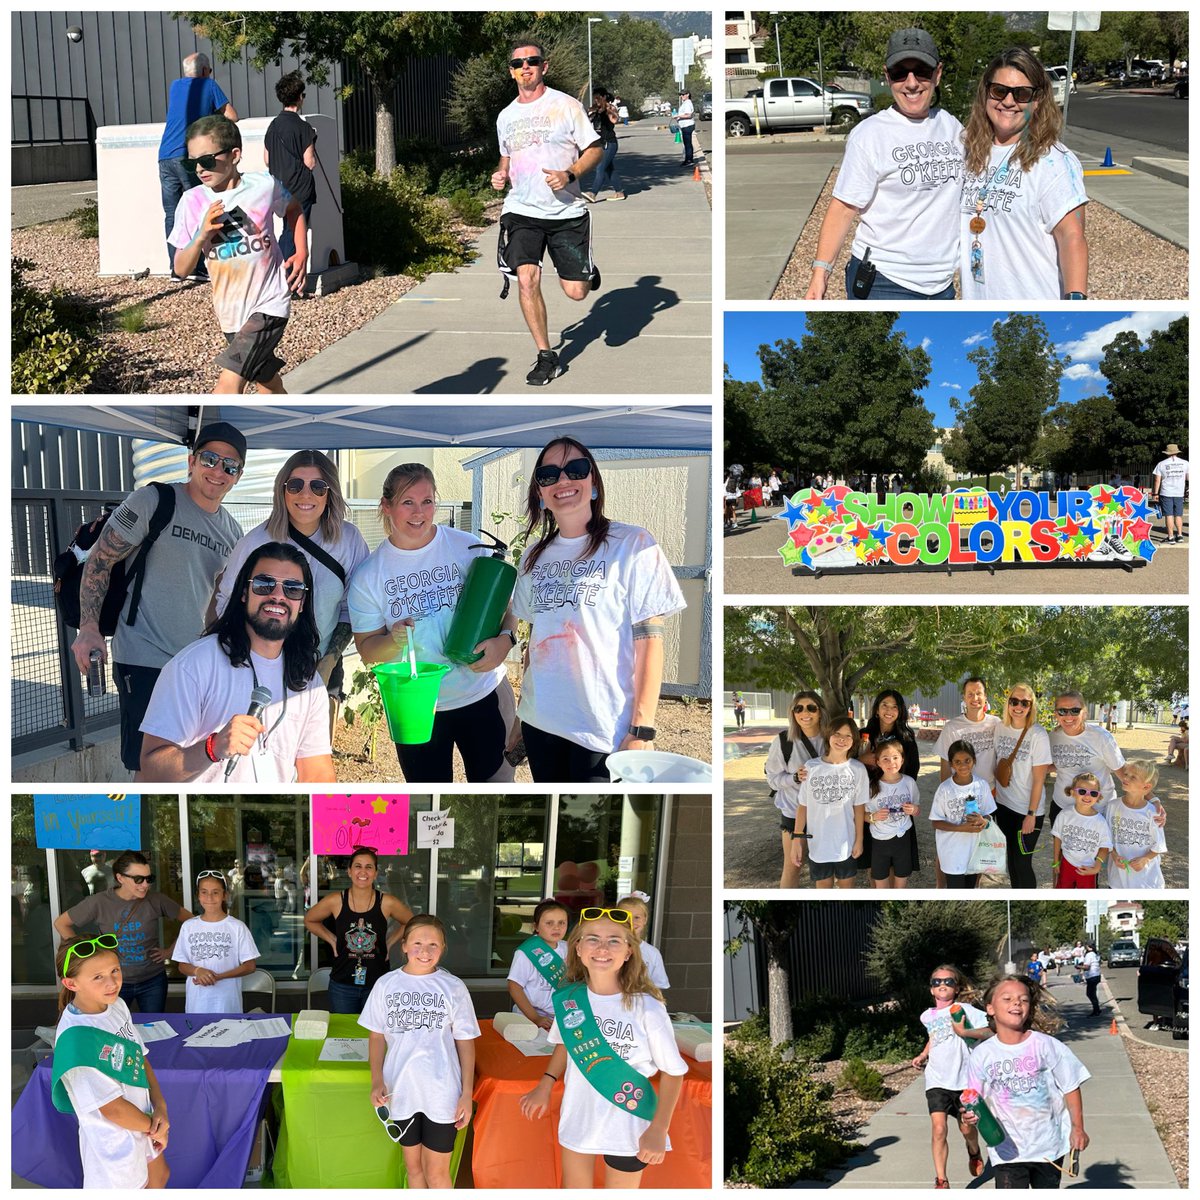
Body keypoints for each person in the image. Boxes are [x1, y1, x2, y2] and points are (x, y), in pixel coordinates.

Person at [69, 421, 246, 775]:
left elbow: (215, 599)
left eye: (230, 466)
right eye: (210, 459)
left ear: (238, 476)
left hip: (193, 665)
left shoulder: (232, 531)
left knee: (187, 761)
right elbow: (101, 560)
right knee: (149, 767)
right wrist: (88, 628)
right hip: (143, 656)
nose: (218, 471)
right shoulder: (154, 500)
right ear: (191, 461)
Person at [514, 438, 686, 782]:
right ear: (540, 493)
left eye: (575, 469)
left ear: (593, 483)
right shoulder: (532, 556)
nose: (563, 481)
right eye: (549, 475)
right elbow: (537, 641)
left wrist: (642, 729)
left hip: (601, 730)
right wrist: (520, 718)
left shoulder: (633, 544)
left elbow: (650, 641)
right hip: (540, 723)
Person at [347, 463, 517, 784]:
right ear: (387, 506)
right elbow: (369, 651)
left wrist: (505, 640)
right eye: (407, 502)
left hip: (483, 693)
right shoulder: (370, 575)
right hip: (418, 709)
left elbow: (507, 606)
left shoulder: (465, 547)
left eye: (427, 501)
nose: (419, 512)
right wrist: (394, 640)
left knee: (495, 802)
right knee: (430, 811)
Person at [519, 907, 688, 1187]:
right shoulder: (569, 999)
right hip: (580, 1114)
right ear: (578, 948)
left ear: (628, 952)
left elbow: (673, 1072)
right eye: (593, 939)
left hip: (630, 1120)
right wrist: (545, 1084)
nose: (602, 948)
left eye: (614, 940)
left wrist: (659, 1128)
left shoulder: (647, 1006)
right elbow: (566, 1044)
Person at [138, 542, 334, 783]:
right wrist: (213, 747)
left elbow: (317, 775)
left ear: (302, 603)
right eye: (264, 585)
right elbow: (150, 771)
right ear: (244, 593)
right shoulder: (193, 667)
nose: (278, 596)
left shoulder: (309, 682)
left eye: (292, 589)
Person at [805, 28, 963, 300]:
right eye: (900, 72)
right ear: (887, 76)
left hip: (941, 284)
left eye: (922, 71)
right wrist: (820, 273)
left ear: (937, 73)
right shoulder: (870, 134)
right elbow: (843, 208)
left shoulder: (952, 126)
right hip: (883, 281)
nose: (911, 83)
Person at [218, 451, 369, 734]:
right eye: (295, 485)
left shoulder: (349, 541)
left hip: (322, 667)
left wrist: (326, 664)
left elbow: (355, 609)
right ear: (282, 490)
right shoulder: (256, 542)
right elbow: (227, 602)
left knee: (313, 761)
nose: (306, 495)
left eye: (317, 486)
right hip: (259, 669)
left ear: (330, 493)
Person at [168, 115, 307, 394]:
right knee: (266, 379)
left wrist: (301, 251)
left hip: (270, 303)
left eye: (207, 160)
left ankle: (214, 436)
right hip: (230, 311)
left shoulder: (263, 185)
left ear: (234, 155)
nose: (199, 169)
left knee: (228, 384)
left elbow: (293, 209)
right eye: (191, 162)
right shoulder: (192, 201)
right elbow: (181, 269)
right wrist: (201, 236)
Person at [492, 36, 603, 386]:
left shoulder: (566, 106)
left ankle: (585, 268)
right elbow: (506, 157)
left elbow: (595, 149)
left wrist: (570, 173)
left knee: (576, 292)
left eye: (532, 61)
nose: (525, 67)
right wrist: (501, 173)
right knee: (527, 278)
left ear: (544, 67)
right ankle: (546, 356)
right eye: (518, 64)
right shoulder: (506, 116)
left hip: (566, 213)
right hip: (521, 212)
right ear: (511, 73)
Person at [960, 48, 1088, 301]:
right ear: (986, 93)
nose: (1008, 101)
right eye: (999, 90)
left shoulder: (1053, 160)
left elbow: (1071, 236)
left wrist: (1076, 300)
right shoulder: (969, 150)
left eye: (1021, 94)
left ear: (1037, 100)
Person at [362, 915, 479, 1189]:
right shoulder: (386, 985)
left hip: (442, 1091)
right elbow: (376, 1036)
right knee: (413, 1169)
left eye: (433, 945)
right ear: (403, 945)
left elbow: (466, 1042)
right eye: (417, 943)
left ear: (443, 948)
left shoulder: (453, 987)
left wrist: (466, 1092)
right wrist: (377, 1080)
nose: (424, 952)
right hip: (401, 1089)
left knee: (437, 1172)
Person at [52, 936, 170, 1188]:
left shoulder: (116, 1005)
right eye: (98, 977)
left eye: (115, 970)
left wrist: (160, 1107)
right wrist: (155, 1128)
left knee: (159, 1178)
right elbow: (112, 1109)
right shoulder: (76, 1040)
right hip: (114, 1143)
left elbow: (140, 1057)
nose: (112, 982)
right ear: (71, 983)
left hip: (142, 1121)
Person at [963, 975, 1090, 1187]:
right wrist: (970, 1116)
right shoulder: (982, 1055)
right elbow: (974, 1100)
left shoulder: (1046, 1045)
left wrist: (1078, 1128)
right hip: (1007, 1149)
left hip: (1048, 1147)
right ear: (990, 1008)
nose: (1016, 1003)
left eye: (1023, 999)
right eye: (1007, 998)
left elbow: (1071, 1086)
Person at [53, 851, 193, 1014]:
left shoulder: (156, 900)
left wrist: (170, 951)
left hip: (152, 979)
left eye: (149, 879)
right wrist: (87, 954)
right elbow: (61, 923)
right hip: (113, 981)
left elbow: (192, 922)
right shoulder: (99, 902)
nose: (145, 885)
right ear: (120, 878)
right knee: (113, 1028)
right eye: (138, 879)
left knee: (155, 1026)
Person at [304, 848, 414, 1015]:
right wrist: (332, 939)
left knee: (375, 1035)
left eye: (369, 867)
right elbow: (310, 919)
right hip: (342, 984)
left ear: (376, 873)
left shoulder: (387, 902)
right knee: (344, 1036)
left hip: (378, 983)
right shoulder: (336, 900)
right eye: (358, 866)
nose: (363, 872)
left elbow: (411, 923)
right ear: (349, 871)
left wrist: (390, 942)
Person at [157, 51, 237, 279]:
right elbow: (232, 116)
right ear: (204, 71)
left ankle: (177, 268)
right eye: (209, 70)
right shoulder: (208, 85)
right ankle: (199, 267)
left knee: (172, 213)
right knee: (200, 207)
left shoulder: (175, 86)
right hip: (187, 157)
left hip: (164, 156)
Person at [911, 964, 989, 1189]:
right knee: (938, 1129)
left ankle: (973, 1151)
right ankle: (941, 1181)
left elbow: (990, 1029)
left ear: (956, 988)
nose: (942, 985)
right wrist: (924, 1054)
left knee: (966, 1128)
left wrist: (965, 1033)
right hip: (936, 1080)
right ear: (931, 990)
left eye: (948, 981)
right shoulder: (927, 1016)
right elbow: (934, 1037)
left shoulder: (964, 1009)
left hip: (964, 1081)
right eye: (937, 982)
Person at [790, 715, 868, 889]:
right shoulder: (811, 767)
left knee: (847, 889)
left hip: (846, 843)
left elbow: (859, 808)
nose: (842, 739)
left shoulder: (858, 769)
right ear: (828, 735)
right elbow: (803, 806)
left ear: (854, 740)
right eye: (837, 734)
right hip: (819, 845)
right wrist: (796, 839)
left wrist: (859, 840)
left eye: (848, 736)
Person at [171, 870, 260, 1013]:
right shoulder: (188, 927)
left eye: (215, 892)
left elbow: (250, 966)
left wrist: (218, 977)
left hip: (227, 1004)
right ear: (198, 895)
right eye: (204, 892)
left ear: (225, 895)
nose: (209, 897)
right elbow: (182, 965)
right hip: (197, 1005)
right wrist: (197, 970)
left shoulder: (237, 927)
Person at [992, 684, 1053, 888]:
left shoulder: (1038, 735)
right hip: (1003, 805)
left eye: (1025, 703)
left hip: (1026, 811)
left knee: (1023, 862)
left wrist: (1031, 813)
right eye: (1014, 701)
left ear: (1031, 706)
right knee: (1011, 860)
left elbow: (1039, 779)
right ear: (1008, 703)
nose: (1019, 706)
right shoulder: (1000, 728)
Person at [769, 690, 827, 889]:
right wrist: (795, 778)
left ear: (820, 712)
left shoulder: (832, 740)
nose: (805, 713)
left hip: (826, 814)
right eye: (799, 708)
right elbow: (773, 780)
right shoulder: (784, 741)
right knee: (793, 865)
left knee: (824, 867)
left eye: (812, 707)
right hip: (794, 813)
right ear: (793, 713)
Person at [263, 70, 317, 267]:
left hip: (278, 185)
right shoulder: (304, 128)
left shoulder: (273, 126)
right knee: (295, 231)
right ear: (300, 97)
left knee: (286, 228)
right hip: (300, 186)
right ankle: (286, 275)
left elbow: (267, 159)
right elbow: (309, 162)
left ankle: (283, 272)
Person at [929, 740, 996, 889]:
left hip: (973, 851)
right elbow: (936, 822)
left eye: (967, 760)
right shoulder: (945, 789)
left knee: (969, 891)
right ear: (951, 764)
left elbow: (989, 815)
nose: (963, 765)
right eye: (957, 762)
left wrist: (983, 821)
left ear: (974, 760)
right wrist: (962, 828)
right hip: (952, 854)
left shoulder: (982, 785)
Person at [864, 739, 920, 888]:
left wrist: (913, 809)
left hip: (903, 839)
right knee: (880, 883)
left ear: (902, 759)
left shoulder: (909, 782)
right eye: (885, 759)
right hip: (879, 841)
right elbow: (862, 814)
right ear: (878, 762)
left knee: (901, 882)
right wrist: (873, 817)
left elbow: (917, 808)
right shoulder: (871, 786)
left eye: (895, 757)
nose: (891, 762)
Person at [507, 898, 569, 1029]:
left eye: (562, 923)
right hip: (528, 1017)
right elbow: (514, 987)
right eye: (549, 923)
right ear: (535, 927)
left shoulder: (568, 948)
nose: (556, 927)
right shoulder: (526, 953)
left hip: (561, 1017)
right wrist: (535, 1017)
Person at [1108, 760, 1168, 889]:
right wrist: (1114, 855)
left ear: (1146, 787)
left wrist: (1145, 859)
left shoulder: (1153, 813)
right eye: (1126, 774)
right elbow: (1106, 838)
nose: (1125, 778)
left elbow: (1159, 845)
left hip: (1146, 881)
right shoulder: (1112, 806)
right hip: (1118, 880)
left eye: (1133, 777)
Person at [1051, 772, 1113, 889]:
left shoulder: (1100, 822)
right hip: (1066, 863)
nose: (1087, 796)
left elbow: (1105, 846)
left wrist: (1097, 866)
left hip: (1087, 868)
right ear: (1073, 792)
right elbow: (1057, 838)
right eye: (1082, 791)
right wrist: (1056, 861)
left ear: (1098, 797)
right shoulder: (1065, 814)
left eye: (1093, 793)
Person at [617, 893, 670, 991]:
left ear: (645, 919)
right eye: (625, 916)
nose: (631, 922)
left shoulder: (653, 953)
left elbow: (658, 986)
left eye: (636, 917)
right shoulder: (608, 949)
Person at [583, 87, 625, 201]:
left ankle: (593, 193)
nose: (596, 100)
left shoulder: (610, 108)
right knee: (609, 169)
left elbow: (614, 120)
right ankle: (619, 192)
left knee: (600, 168)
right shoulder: (596, 110)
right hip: (600, 143)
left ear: (603, 97)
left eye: (597, 98)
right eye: (594, 98)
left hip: (609, 143)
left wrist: (608, 109)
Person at [1152, 443, 1189, 544]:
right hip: (1179, 492)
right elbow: (1189, 478)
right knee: (1178, 515)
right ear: (1177, 452)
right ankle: (1180, 535)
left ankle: (1171, 537)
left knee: (1169, 515)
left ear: (1167, 453)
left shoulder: (1161, 464)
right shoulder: (1185, 463)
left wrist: (1155, 494)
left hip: (1166, 492)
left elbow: (1157, 480)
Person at [676, 90, 696, 167]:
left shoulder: (687, 103)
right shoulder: (686, 103)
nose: (682, 96)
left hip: (687, 126)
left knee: (687, 144)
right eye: (681, 95)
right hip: (685, 125)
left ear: (688, 94)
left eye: (683, 94)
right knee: (687, 143)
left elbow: (688, 115)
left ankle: (689, 160)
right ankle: (688, 159)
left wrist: (678, 116)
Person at [1081, 944, 1102, 1016]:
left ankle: (1096, 1009)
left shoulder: (1089, 955)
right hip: (1097, 975)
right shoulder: (1096, 954)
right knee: (1093, 993)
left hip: (1091, 976)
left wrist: (1078, 966)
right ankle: (1097, 1009)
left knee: (1090, 993)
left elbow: (1087, 967)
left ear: (1088, 947)